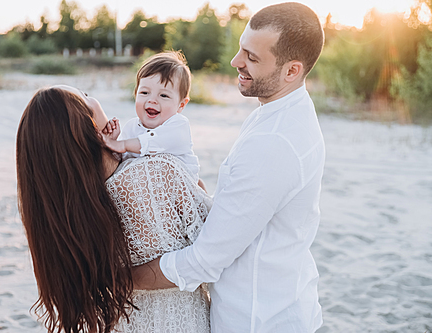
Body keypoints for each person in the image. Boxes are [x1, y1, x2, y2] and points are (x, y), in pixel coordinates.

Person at [133, 2, 326, 332]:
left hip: (256, 320)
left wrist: (115, 279)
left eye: (252, 58)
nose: (236, 62)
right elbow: (252, 215)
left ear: (291, 71)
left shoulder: (275, 141)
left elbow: (204, 262)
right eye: (241, 49)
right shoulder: (281, 112)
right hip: (284, 302)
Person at [16, 85, 212, 333]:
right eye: (85, 96)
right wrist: (198, 186)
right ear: (85, 126)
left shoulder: (65, 212)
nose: (93, 98)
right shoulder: (154, 172)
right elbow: (218, 248)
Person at [103, 51, 200, 183]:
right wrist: (114, 145)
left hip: (179, 194)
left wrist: (123, 144)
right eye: (144, 92)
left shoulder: (178, 125)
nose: (152, 100)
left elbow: (157, 142)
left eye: (164, 95)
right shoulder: (131, 127)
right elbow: (121, 163)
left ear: (181, 105)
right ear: (135, 94)